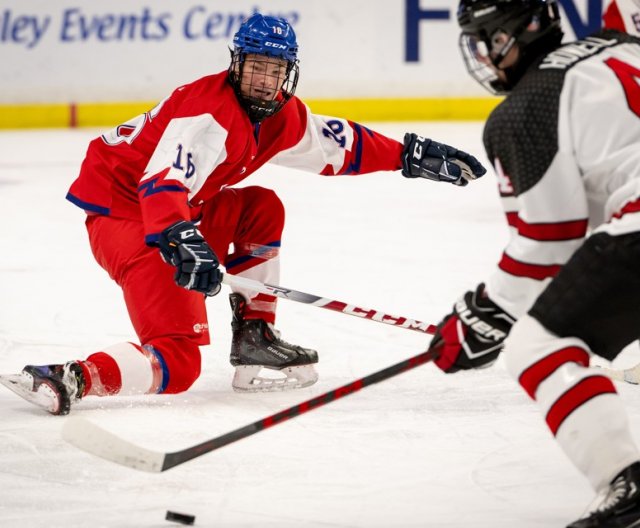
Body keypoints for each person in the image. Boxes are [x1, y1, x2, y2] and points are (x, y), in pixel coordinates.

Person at [1, 13, 486, 416]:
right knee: (178, 361)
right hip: (129, 216)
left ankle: (255, 333)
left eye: (274, 70)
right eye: (255, 66)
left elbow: (341, 145)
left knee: (260, 208)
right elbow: (161, 183)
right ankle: (70, 378)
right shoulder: (208, 114)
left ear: (288, 75)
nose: (263, 78)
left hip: (173, 211)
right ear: (237, 65)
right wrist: (179, 236)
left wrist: (409, 154)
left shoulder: (280, 114)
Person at [424, 0, 640, 526]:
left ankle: (626, 483)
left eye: (481, 41)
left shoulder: (527, 106)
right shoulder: (626, 46)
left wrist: (485, 316)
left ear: (503, 39)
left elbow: (550, 242)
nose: (481, 54)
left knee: (537, 345)